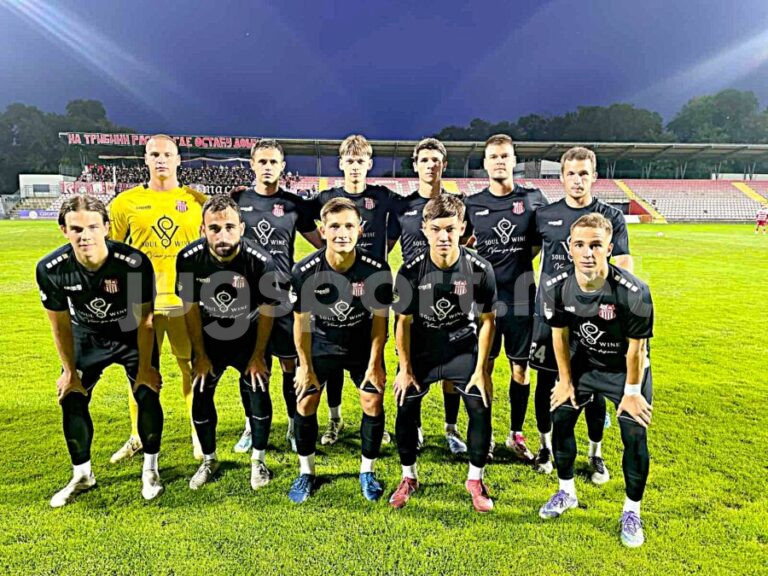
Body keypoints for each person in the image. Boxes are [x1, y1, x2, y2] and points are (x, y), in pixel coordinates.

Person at [36, 196, 164, 506]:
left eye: (93, 227)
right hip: (87, 335)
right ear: (64, 230)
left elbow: (146, 320)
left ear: (106, 227)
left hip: (130, 334)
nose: (85, 235)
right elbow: (60, 325)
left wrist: (146, 368)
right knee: (71, 397)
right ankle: (82, 475)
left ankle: (151, 469)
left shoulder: (133, 263)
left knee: (147, 392)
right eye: (76, 229)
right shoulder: (51, 269)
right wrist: (69, 372)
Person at [539, 213, 654, 548]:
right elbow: (559, 336)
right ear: (569, 248)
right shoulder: (556, 287)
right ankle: (566, 492)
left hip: (624, 370)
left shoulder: (634, 292)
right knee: (560, 418)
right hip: (584, 365)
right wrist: (564, 381)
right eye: (580, 245)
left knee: (634, 433)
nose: (587, 252)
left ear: (609, 248)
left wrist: (631, 392)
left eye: (595, 245)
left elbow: (636, 349)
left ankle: (632, 511)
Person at [389, 195, 497, 512]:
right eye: (436, 229)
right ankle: (408, 477)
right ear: (424, 230)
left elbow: (488, 321)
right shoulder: (410, 271)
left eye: (450, 229)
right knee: (405, 404)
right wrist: (405, 369)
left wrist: (481, 370)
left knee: (480, 405)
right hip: (422, 351)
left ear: (462, 228)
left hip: (461, 348)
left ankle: (475, 480)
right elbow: (402, 322)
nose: (444, 237)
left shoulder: (480, 268)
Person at [531, 147, 633, 478]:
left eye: (584, 173)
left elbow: (623, 265)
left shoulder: (610, 217)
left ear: (594, 176)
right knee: (546, 381)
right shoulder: (544, 216)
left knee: (594, 384)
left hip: (593, 318)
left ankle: (595, 453)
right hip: (549, 313)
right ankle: (545, 447)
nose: (577, 180)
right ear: (561, 177)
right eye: (571, 174)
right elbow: (525, 256)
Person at [109, 134, 206, 461]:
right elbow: (111, 251)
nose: (161, 159)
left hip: (185, 302)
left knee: (192, 369)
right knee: (140, 371)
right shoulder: (125, 203)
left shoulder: (197, 201)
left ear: (178, 159)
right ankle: (137, 436)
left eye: (167, 154)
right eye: (154, 154)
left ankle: (198, 433)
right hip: (142, 304)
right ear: (146, 159)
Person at [288, 198, 393, 503]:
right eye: (334, 226)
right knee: (305, 401)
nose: (342, 233)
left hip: (361, 346)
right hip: (322, 344)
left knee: (372, 400)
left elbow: (380, 321)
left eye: (349, 226)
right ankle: (306, 473)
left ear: (360, 230)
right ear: (322, 231)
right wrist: (304, 367)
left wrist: (375, 363)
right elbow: (300, 323)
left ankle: (367, 471)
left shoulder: (376, 269)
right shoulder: (305, 270)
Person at [176, 195, 279, 490]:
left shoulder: (261, 260)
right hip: (210, 339)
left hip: (249, 337)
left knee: (257, 389)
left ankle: (258, 460)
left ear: (241, 229)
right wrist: (200, 355)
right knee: (200, 392)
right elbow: (189, 307)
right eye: (214, 228)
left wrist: (258, 355)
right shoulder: (189, 258)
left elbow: (268, 309)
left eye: (230, 227)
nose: (223, 235)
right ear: (203, 230)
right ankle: (209, 460)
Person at [231, 139, 322, 454]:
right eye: (262, 161)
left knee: (289, 366)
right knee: (251, 365)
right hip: (246, 299)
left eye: (273, 162)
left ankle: (294, 426)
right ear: (252, 165)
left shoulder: (294, 205)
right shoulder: (238, 200)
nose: (268, 167)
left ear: (282, 167)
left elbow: (321, 245)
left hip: (283, 297)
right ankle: (250, 426)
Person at [464, 134, 548, 463]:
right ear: (485, 164)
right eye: (494, 156)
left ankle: (515, 434)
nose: (499, 161)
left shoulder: (533, 199)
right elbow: (462, 246)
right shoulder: (472, 204)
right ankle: (484, 435)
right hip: (483, 302)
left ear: (514, 161)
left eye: (505, 156)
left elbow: (538, 243)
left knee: (521, 369)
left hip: (522, 299)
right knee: (482, 367)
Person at [312, 134, 395, 446]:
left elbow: (394, 233)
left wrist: (372, 264)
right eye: (350, 161)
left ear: (369, 164)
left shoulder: (382, 197)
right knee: (332, 353)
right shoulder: (326, 197)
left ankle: (375, 421)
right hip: (334, 285)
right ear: (341, 164)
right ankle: (334, 419)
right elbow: (307, 224)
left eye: (361, 161)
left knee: (374, 350)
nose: (355, 166)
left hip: (371, 286)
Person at [388, 138, 467, 455]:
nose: (430, 165)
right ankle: (415, 426)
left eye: (436, 160)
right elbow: (385, 249)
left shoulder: (458, 204)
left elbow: (467, 246)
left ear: (444, 165)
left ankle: (451, 428)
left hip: (451, 298)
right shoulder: (403, 207)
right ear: (415, 165)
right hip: (413, 299)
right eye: (424, 160)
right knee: (409, 364)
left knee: (451, 365)